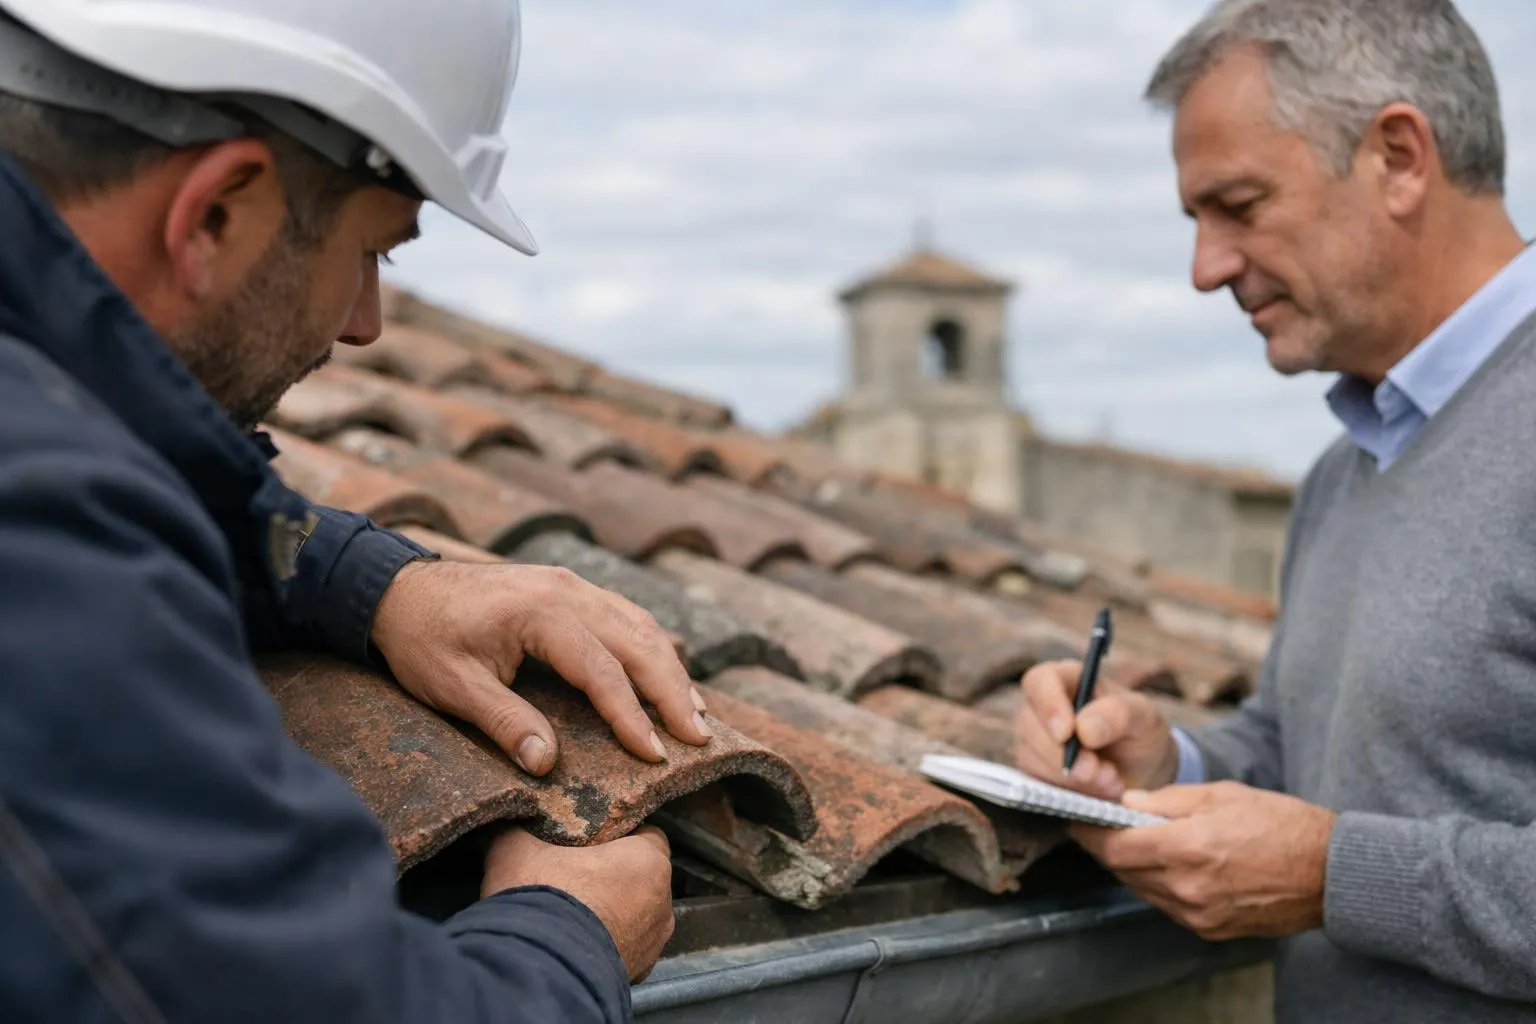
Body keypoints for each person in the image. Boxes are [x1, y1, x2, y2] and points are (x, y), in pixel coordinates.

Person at [0, 2, 715, 1020]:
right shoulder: (36, 537)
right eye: (376, 246)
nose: (367, 322)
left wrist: (375, 585)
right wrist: (564, 929)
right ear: (214, 212)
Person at [1014, 0, 1536, 1020]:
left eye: (1239, 205)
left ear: (1398, 157)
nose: (1205, 268)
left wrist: (1336, 876)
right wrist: (1169, 760)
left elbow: (1333, 846)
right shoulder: (1343, 474)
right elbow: (1326, 760)